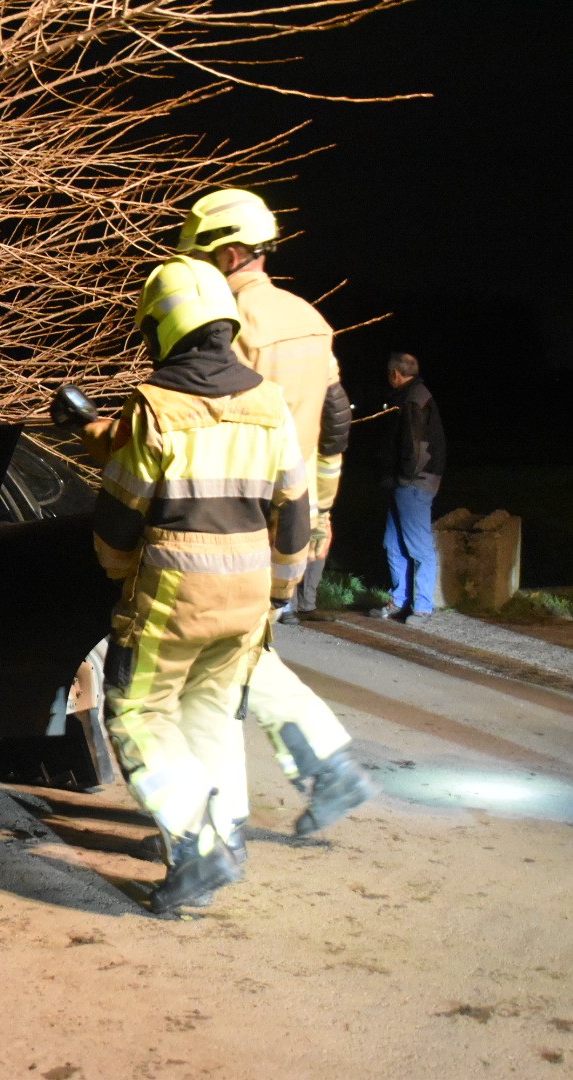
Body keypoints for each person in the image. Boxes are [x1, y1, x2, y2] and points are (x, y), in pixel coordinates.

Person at [93, 255, 309, 914]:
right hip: (245, 605)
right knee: (211, 718)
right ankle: (228, 841)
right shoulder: (271, 404)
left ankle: (195, 848)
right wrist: (276, 593)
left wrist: (121, 576)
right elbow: (296, 515)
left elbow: (117, 527)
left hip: (168, 604)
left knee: (136, 717)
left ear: (162, 328)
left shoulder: (155, 408)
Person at [176, 188, 378, 837]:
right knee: (241, 649)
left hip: (232, 516)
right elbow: (337, 419)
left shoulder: (224, 322)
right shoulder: (311, 320)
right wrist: (323, 507)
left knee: (217, 658)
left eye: (202, 257)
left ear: (231, 252)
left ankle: (228, 819)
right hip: (291, 514)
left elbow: (206, 420)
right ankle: (324, 767)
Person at [374, 351, 445, 626]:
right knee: (393, 544)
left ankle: (423, 607)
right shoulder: (413, 395)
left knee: (419, 548)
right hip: (403, 483)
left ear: (395, 374)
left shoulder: (413, 399)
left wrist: (405, 478)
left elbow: (415, 448)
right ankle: (400, 601)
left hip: (412, 484)